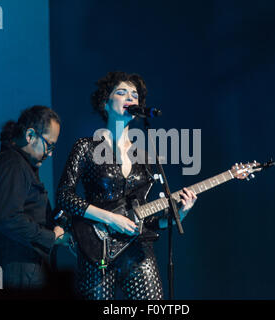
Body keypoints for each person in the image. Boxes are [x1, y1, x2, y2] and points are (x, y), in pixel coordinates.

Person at [56, 71, 197, 300]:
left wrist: (180, 213)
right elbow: (64, 195)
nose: (130, 98)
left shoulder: (143, 157)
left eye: (134, 95)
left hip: (137, 248)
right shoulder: (85, 147)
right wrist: (110, 218)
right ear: (105, 102)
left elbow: (148, 219)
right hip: (97, 247)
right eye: (122, 93)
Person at [0, 105, 69, 290]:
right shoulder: (12, 164)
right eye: (49, 145)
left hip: (21, 268)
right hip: (20, 270)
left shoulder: (16, 164)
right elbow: (9, 218)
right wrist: (51, 237)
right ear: (30, 135)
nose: (51, 153)